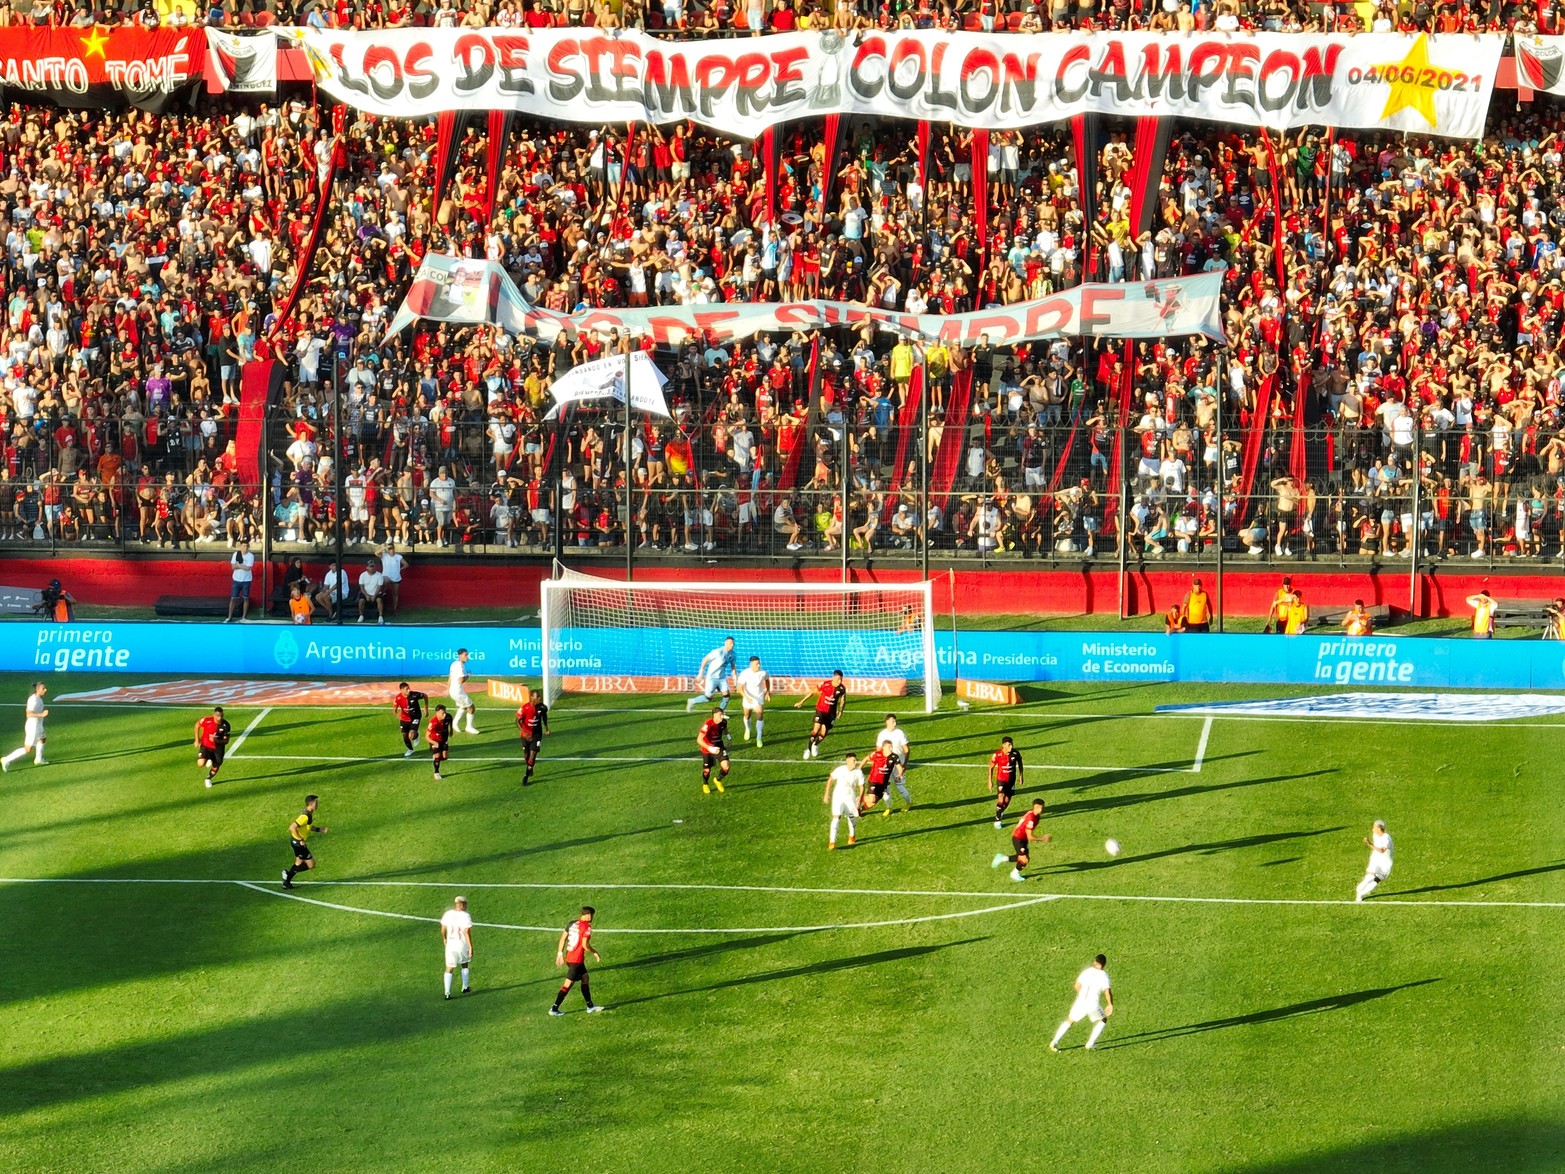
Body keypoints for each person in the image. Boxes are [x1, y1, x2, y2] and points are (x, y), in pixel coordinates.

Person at [1048, 954, 1115, 1051]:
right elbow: (1107, 992)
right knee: (1103, 1020)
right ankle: (1090, 1044)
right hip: (1093, 1004)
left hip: (1080, 1001)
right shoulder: (1104, 976)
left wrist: (1083, 995)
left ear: (1094, 962)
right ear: (1104, 964)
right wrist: (1110, 1004)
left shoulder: (1087, 971)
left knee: (1070, 1020)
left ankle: (1054, 1042)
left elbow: (1076, 985)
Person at [550, 906, 604, 1015]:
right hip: (576, 960)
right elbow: (585, 945)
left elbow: (562, 939)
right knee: (567, 985)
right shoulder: (586, 927)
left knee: (585, 978)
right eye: (592, 915)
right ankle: (554, 1009)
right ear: (588, 915)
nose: (592, 917)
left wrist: (559, 954)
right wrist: (595, 952)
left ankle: (590, 1006)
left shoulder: (572, 923)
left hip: (569, 958)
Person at [991, 797, 1050, 882]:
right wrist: (1043, 838)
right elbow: (1030, 837)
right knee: (1024, 859)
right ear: (1036, 807)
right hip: (1019, 839)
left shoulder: (1033, 814)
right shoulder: (1032, 818)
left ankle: (1002, 858)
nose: (1044, 809)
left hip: (1022, 838)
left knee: (1024, 858)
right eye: (1042, 807)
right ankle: (1014, 873)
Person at [795, 669, 847, 759]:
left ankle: (815, 744)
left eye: (841, 679)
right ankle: (808, 749)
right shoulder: (825, 684)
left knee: (823, 734)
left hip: (831, 714)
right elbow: (812, 692)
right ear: (834, 677)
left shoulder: (842, 688)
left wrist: (840, 710)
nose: (840, 681)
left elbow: (843, 700)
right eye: (838, 679)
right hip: (821, 710)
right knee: (816, 730)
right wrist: (801, 701)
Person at [281, 795, 328, 889]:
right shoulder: (305, 816)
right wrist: (300, 840)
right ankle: (287, 873)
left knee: (298, 863)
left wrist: (319, 829)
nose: (317, 804)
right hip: (298, 843)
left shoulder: (309, 814)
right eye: (316, 802)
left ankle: (286, 883)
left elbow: (308, 827)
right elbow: (292, 827)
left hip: (296, 842)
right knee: (311, 864)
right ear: (311, 804)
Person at [1, 681, 49, 771]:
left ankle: (39, 759)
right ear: (37, 689)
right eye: (43, 688)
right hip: (32, 727)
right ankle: (6, 759)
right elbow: (28, 714)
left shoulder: (39, 698)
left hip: (38, 725)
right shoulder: (33, 700)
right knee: (28, 749)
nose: (46, 690)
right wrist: (41, 715)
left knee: (42, 739)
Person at [823, 751, 865, 849]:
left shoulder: (858, 772)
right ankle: (832, 843)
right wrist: (826, 794)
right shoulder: (840, 770)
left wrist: (861, 798)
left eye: (855, 760)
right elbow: (830, 780)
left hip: (850, 797)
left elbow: (862, 787)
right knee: (836, 817)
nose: (855, 762)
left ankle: (852, 836)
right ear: (847, 761)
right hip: (838, 797)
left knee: (851, 817)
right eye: (853, 760)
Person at [685, 635, 737, 712]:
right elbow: (705, 659)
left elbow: (733, 667)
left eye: (733, 643)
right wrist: (701, 673)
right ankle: (692, 701)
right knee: (708, 698)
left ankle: (720, 712)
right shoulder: (718, 652)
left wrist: (735, 679)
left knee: (726, 695)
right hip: (712, 677)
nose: (732, 645)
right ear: (725, 643)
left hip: (722, 678)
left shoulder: (733, 654)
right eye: (730, 643)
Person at [440, 895, 474, 1000]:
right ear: (463, 905)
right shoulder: (466, 916)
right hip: (462, 944)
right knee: (465, 964)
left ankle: (447, 993)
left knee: (449, 968)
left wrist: (444, 939)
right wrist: (470, 946)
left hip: (451, 945)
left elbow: (443, 928)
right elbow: (466, 932)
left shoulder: (448, 914)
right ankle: (465, 987)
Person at [877, 713, 913, 811]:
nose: (895, 723)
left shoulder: (900, 733)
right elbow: (878, 751)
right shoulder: (882, 734)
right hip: (886, 766)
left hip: (898, 765)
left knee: (900, 787)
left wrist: (904, 764)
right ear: (887, 722)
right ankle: (888, 808)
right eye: (892, 721)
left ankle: (909, 803)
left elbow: (907, 750)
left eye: (895, 721)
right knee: (885, 789)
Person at [988, 735, 1023, 828]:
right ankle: (997, 819)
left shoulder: (1015, 753)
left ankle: (1000, 811)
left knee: (1007, 801)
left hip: (1011, 781)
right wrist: (989, 781)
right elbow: (991, 767)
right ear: (1003, 745)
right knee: (1001, 797)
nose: (1011, 747)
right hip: (1001, 780)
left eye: (1012, 745)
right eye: (1009, 745)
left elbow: (1020, 763)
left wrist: (1021, 776)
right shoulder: (997, 755)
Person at [1354, 820, 1394, 902]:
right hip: (1376, 859)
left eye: (1374, 827)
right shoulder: (1375, 835)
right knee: (1372, 877)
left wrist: (1369, 843)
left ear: (1379, 828)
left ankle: (1360, 892)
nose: (1372, 829)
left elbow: (1382, 850)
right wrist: (1369, 843)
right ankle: (1360, 893)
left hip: (1385, 863)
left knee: (1377, 878)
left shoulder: (1387, 838)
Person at [517, 686, 550, 784]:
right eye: (537, 697)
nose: (540, 698)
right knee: (526, 755)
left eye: (540, 697)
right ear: (532, 698)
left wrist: (546, 728)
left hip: (537, 735)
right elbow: (517, 721)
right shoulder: (524, 708)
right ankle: (530, 767)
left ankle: (525, 776)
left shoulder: (543, 707)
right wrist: (524, 732)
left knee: (533, 755)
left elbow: (544, 716)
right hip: (525, 735)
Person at [736, 655, 771, 745]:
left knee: (760, 715)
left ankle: (759, 737)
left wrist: (767, 692)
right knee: (747, 716)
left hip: (758, 697)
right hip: (748, 697)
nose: (758, 665)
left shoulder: (763, 672)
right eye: (756, 664)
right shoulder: (745, 673)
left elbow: (767, 680)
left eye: (759, 663)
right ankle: (747, 729)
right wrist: (746, 697)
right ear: (751, 664)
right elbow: (739, 688)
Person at [194, 705, 231, 789]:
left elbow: (226, 741)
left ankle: (208, 778)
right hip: (206, 746)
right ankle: (208, 758)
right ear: (214, 715)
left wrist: (216, 741)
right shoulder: (207, 721)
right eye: (218, 716)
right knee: (200, 764)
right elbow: (197, 725)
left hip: (218, 748)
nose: (219, 718)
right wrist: (197, 739)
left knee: (217, 764)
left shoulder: (226, 725)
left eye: (221, 716)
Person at [862, 737, 901, 817]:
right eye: (889, 747)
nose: (891, 749)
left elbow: (900, 767)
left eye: (891, 747)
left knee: (873, 802)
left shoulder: (894, 757)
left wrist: (900, 774)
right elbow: (866, 758)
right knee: (871, 799)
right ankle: (855, 798)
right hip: (874, 780)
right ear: (883, 747)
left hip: (883, 784)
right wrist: (859, 768)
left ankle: (859, 810)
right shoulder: (877, 754)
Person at [697, 707, 730, 794]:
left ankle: (717, 780)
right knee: (707, 770)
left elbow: (725, 729)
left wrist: (729, 738)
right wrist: (710, 748)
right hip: (707, 749)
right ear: (714, 715)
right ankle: (705, 784)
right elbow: (699, 739)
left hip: (719, 746)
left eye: (722, 714)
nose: (722, 717)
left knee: (726, 767)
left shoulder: (723, 722)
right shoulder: (708, 725)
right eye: (720, 715)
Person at [448, 648, 479, 734]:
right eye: (466, 655)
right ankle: (469, 727)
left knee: (463, 706)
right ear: (460, 655)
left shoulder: (453, 664)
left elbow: (450, 677)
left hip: (453, 691)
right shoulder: (460, 665)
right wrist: (468, 675)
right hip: (458, 692)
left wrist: (448, 689)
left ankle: (455, 723)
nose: (467, 657)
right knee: (471, 707)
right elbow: (461, 680)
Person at [394, 682, 429, 757]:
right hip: (404, 719)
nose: (409, 690)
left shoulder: (415, 695)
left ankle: (416, 734)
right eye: (406, 689)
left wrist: (426, 708)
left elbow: (425, 696)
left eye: (409, 688)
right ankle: (410, 749)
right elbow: (394, 710)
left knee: (412, 735)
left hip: (415, 716)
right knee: (405, 736)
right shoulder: (398, 698)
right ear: (401, 690)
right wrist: (398, 717)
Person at [226, 541, 255, 622]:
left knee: (246, 598)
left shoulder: (250, 556)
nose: (245, 548)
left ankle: (244, 617)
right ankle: (229, 617)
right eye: (243, 546)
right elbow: (233, 567)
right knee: (233, 598)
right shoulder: (236, 554)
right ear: (241, 547)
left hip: (246, 580)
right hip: (236, 579)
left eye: (246, 546)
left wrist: (238, 565)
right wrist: (242, 566)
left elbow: (248, 568)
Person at [428, 704, 454, 780]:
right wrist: (434, 743)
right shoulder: (433, 722)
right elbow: (427, 736)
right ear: (437, 713)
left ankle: (437, 758)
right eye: (442, 713)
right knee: (437, 756)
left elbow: (450, 723)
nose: (444, 714)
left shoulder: (448, 717)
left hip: (444, 739)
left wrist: (451, 730)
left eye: (445, 712)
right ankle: (436, 773)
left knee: (445, 757)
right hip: (435, 740)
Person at [357, 559, 386, 625]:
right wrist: (366, 595)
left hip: (376, 593)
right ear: (367, 567)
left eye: (373, 566)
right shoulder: (362, 575)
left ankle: (380, 616)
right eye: (371, 566)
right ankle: (361, 615)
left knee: (379, 600)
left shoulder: (379, 575)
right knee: (361, 600)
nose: (372, 568)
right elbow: (361, 587)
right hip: (366, 593)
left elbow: (379, 587)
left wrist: (374, 596)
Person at [380, 542, 405, 617]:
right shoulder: (384, 556)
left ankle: (394, 609)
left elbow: (406, 564)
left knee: (395, 593)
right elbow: (376, 553)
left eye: (392, 548)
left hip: (396, 577)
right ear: (388, 549)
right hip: (386, 576)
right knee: (382, 584)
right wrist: (384, 548)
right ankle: (383, 595)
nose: (392, 550)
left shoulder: (398, 556)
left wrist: (400, 569)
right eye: (390, 548)